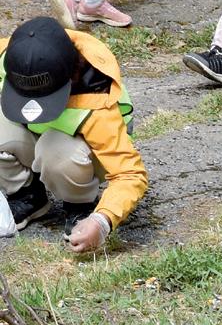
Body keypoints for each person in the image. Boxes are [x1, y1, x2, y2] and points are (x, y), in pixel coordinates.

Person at [0, 15, 148, 252]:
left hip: (82, 152)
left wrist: (102, 221)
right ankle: (28, 196)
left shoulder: (97, 95)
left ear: (69, 79)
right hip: (37, 135)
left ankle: (79, 204)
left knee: (55, 149)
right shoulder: (12, 55)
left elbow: (129, 174)